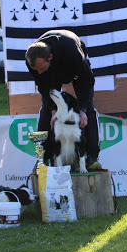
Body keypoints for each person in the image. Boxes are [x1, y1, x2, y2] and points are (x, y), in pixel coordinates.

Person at [25, 29, 101, 171]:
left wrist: (82, 109)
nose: (38, 72)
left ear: (50, 57)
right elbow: (43, 87)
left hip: (73, 65)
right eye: (36, 69)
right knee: (46, 110)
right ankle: (44, 158)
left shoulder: (73, 53)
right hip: (51, 75)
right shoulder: (32, 61)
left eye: (41, 68)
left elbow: (88, 81)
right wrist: (53, 110)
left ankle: (92, 157)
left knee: (88, 110)